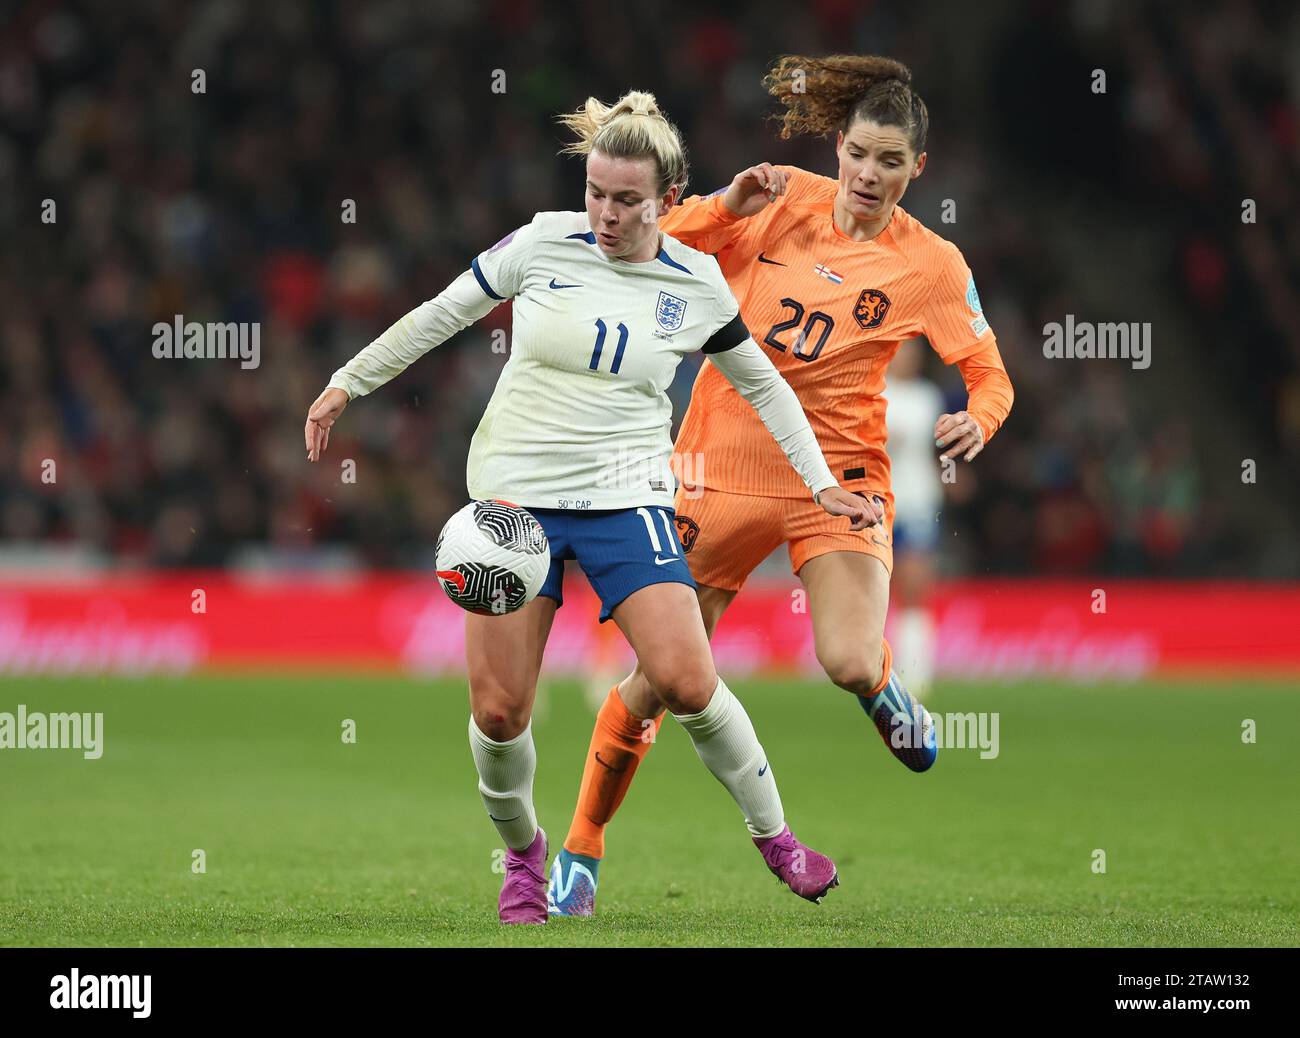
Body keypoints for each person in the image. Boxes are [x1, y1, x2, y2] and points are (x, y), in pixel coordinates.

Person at [304, 90, 875, 925]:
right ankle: (525, 857)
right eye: (596, 195)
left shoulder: (698, 281)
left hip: (625, 496)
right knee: (500, 711)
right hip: (513, 506)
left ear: (668, 203)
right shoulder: (540, 243)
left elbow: (767, 388)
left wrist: (820, 478)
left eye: (627, 201)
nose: (606, 214)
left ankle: (776, 836)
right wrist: (346, 381)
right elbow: (440, 315)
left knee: (685, 678)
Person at [551, 56, 1014, 917]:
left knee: (842, 658)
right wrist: (726, 206)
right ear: (837, 146)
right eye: (860, 155)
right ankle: (581, 848)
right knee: (657, 681)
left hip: (836, 478)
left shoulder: (935, 266)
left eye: (891, 162)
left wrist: (977, 420)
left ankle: (882, 689)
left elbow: (991, 373)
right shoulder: (780, 196)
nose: (870, 175)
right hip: (720, 466)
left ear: (920, 169)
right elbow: (662, 240)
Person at [884, 338, 947, 700]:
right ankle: (877, 670)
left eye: (912, 353)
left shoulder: (927, 397)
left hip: (917, 503)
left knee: (914, 586)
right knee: (876, 589)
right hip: (875, 504)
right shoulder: (872, 390)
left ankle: (917, 673)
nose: (906, 358)